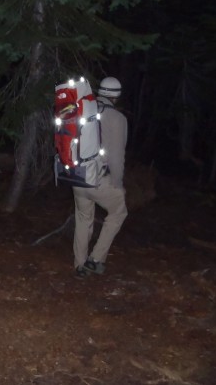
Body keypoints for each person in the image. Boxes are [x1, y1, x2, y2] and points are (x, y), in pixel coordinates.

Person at [73, 76, 128, 278]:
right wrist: (118, 183)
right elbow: (116, 156)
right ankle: (95, 260)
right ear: (117, 96)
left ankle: (79, 265)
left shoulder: (84, 109)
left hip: (77, 177)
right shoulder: (118, 119)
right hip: (98, 179)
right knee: (118, 212)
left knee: (83, 218)